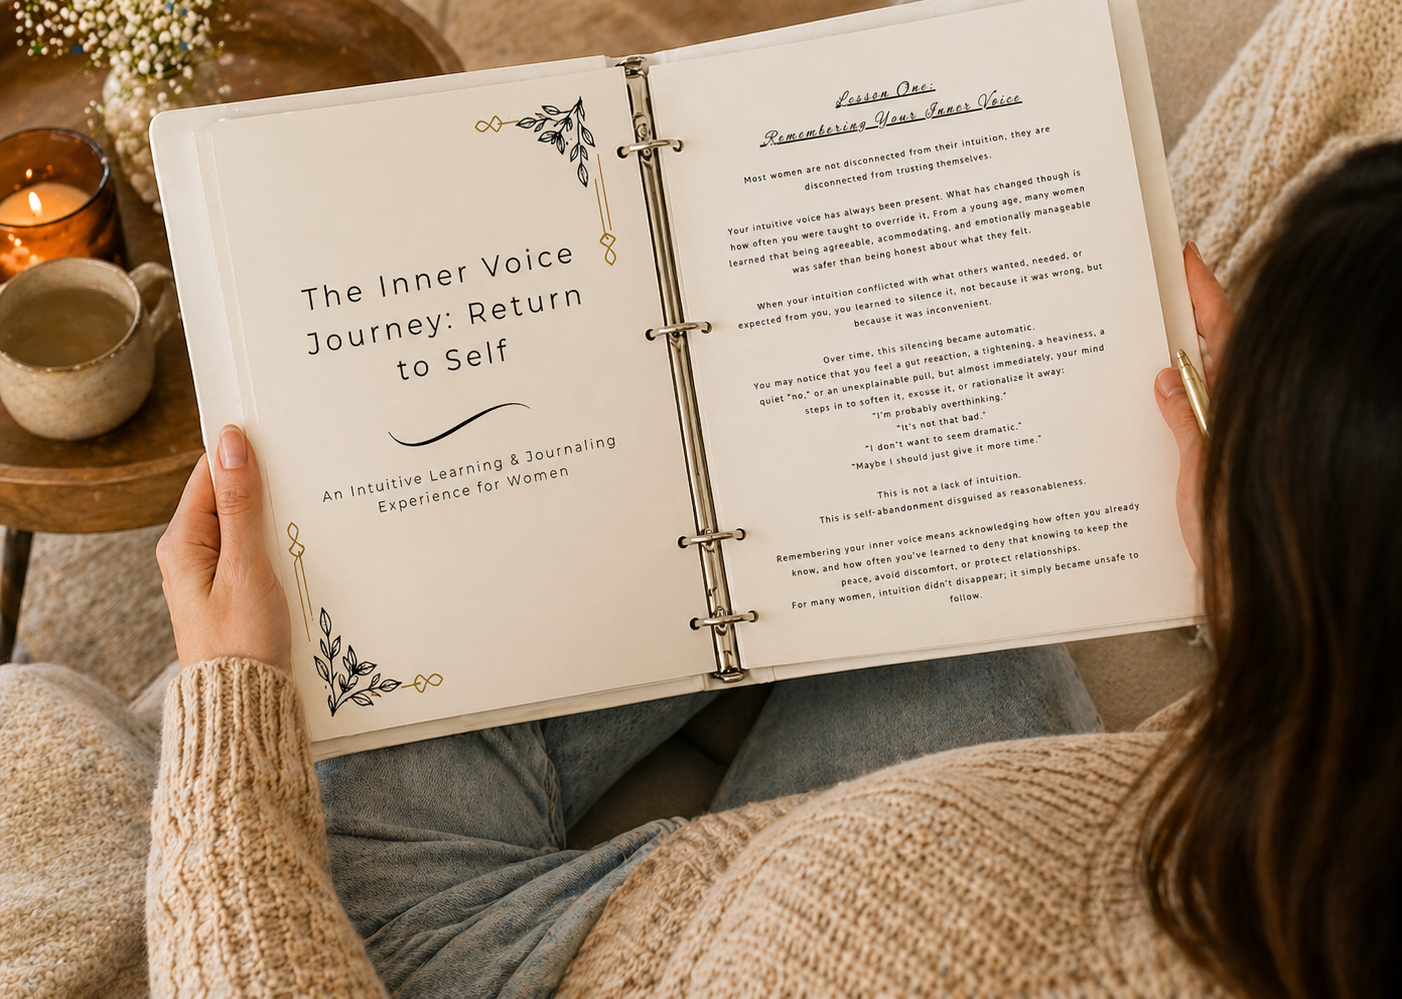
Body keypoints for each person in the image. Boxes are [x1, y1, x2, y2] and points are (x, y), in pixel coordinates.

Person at [147, 141, 1402, 998]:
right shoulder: (1334, 805)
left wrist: (224, 705)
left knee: (327, 650)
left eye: (1256, 438)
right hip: (901, 855)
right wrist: (1264, 555)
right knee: (954, 530)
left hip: (615, 947)